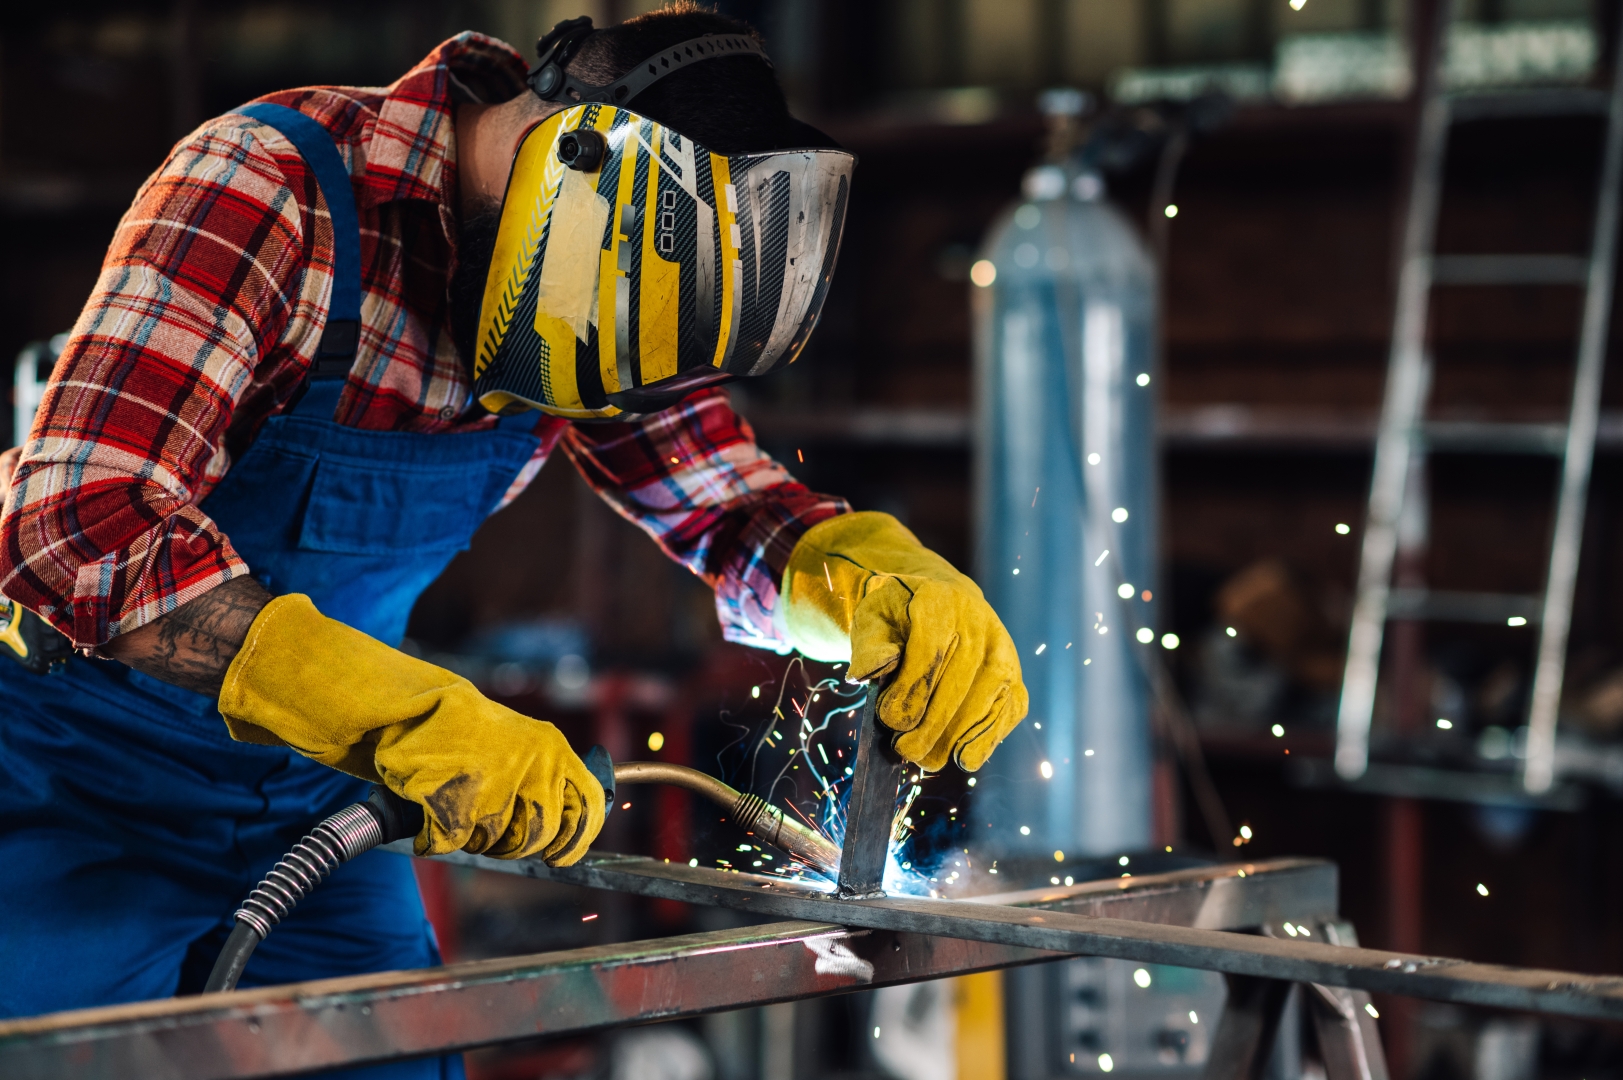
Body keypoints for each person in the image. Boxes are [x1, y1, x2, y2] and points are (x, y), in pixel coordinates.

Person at [0, 6, 1028, 1071]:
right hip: (76, 783)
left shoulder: (601, 280)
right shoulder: (270, 185)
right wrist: (406, 710)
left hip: (315, 785)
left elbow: (722, 504)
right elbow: (76, 525)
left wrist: (850, 573)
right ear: (564, 175)